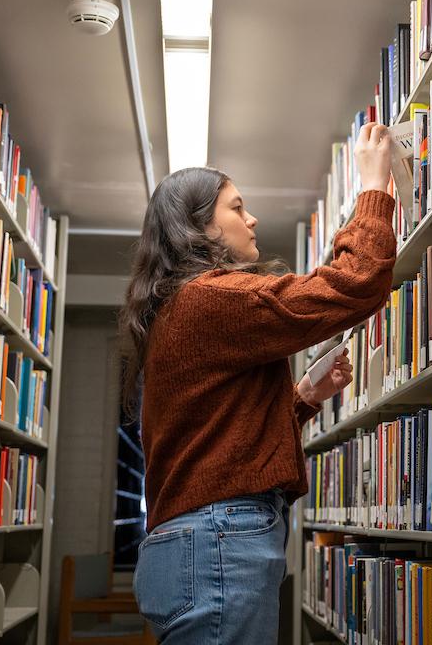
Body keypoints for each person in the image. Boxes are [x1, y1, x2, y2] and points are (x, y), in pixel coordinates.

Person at [120, 122, 398, 643]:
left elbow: (215, 436)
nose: (252, 219)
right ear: (200, 228)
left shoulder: (178, 308)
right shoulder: (210, 298)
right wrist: (375, 189)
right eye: (236, 207)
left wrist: (302, 399)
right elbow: (356, 284)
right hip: (218, 540)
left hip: (199, 541)